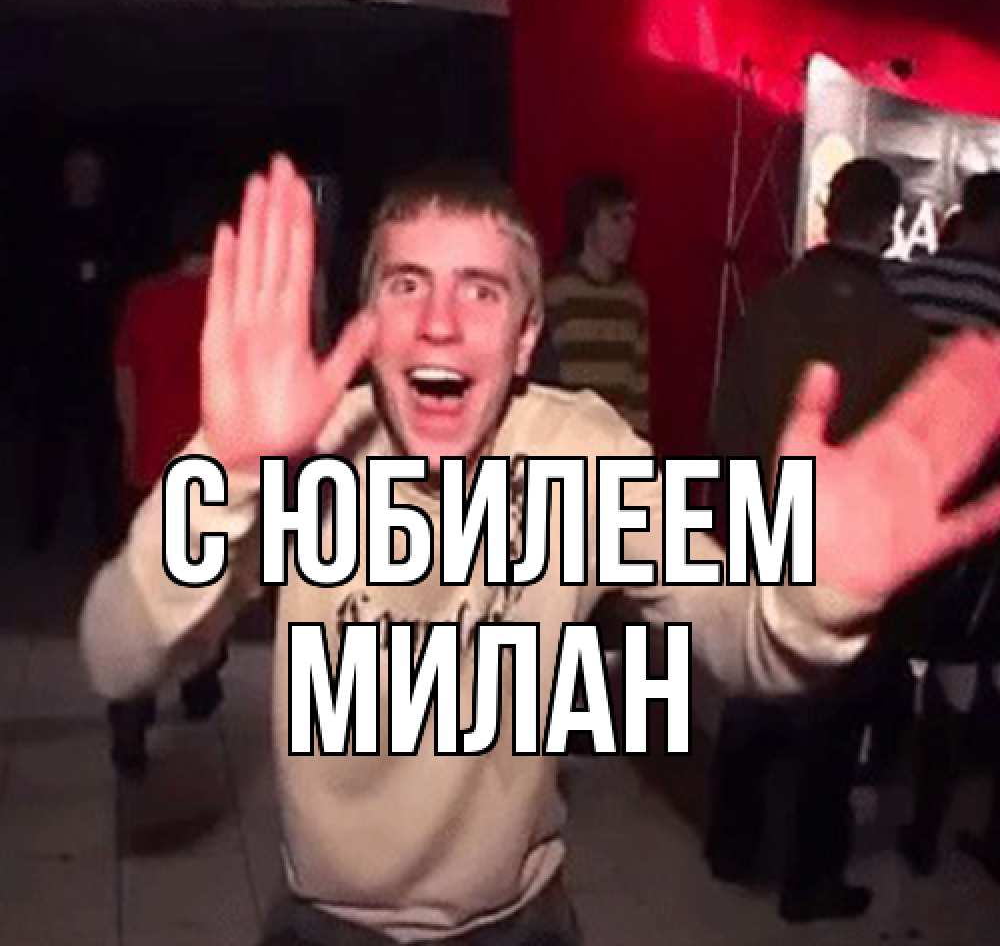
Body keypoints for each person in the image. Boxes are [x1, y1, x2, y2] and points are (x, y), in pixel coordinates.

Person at [81, 155, 1000, 945]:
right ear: (368, 324)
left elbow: (735, 630)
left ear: (526, 340)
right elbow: (122, 651)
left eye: (481, 291)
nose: (441, 322)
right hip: (326, 922)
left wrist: (815, 599)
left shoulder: (580, 451)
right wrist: (226, 469)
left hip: (520, 920)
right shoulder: (311, 451)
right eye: (407, 285)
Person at [706, 158, 931, 922]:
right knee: (835, 714)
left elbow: (728, 426)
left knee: (757, 681)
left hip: (765, 517)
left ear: (830, 212)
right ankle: (809, 881)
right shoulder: (900, 330)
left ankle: (731, 845)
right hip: (845, 539)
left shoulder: (771, 303)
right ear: (888, 224)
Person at [890, 171, 1000, 883]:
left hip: (906, 488)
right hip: (977, 508)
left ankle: (876, 777)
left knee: (891, 644)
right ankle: (929, 826)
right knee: (963, 662)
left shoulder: (907, 283)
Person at [106, 183, 235, 778]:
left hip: (153, 469)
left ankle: (132, 716)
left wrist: (132, 448)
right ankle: (201, 680)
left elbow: (126, 378)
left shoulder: (143, 298)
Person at [29, 145, 124, 554]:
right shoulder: (48, 223)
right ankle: (41, 528)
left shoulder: (113, 223)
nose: (85, 177)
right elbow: (34, 282)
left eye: (91, 170)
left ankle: (108, 531)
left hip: (101, 349)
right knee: (50, 443)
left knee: (102, 445)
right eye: (78, 170)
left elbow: (122, 280)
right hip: (56, 349)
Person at [543, 173, 649, 437]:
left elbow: (638, 390)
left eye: (632, 218)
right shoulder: (555, 293)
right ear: (587, 223)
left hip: (614, 444)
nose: (628, 229)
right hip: (562, 441)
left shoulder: (633, 299)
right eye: (616, 218)